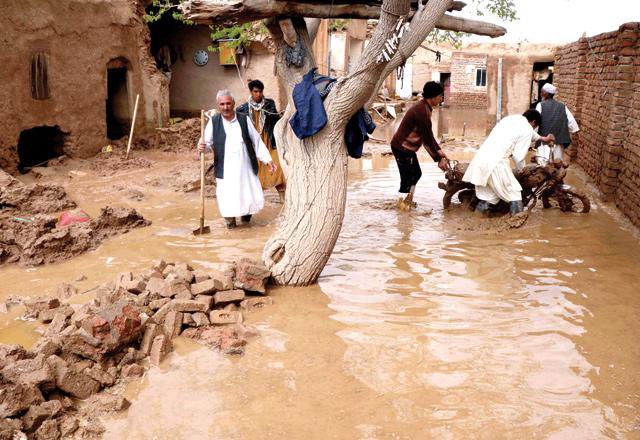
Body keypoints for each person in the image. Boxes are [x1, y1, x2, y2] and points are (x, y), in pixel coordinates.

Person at [197, 90, 276, 229]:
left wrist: (267, 160)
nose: (225, 107)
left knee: (247, 195)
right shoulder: (214, 122)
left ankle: (246, 223)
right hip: (225, 169)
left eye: (228, 103)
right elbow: (206, 143)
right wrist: (202, 146)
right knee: (227, 197)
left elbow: (256, 141)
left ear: (233, 104)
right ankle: (230, 225)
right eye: (222, 104)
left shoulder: (243, 119)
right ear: (218, 105)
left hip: (245, 168)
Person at [462, 110, 555, 215]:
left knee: (489, 198)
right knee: (514, 193)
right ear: (533, 122)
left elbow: (531, 134)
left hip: (481, 159)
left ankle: (475, 222)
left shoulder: (511, 119)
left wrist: (544, 138)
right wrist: (523, 170)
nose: (533, 129)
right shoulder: (527, 129)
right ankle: (516, 226)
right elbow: (518, 157)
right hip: (496, 162)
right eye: (534, 126)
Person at [390, 81, 449, 210]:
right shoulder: (422, 111)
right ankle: (401, 206)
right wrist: (438, 159)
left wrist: (439, 151)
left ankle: (407, 201)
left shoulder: (425, 107)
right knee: (407, 178)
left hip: (406, 148)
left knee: (416, 174)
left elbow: (429, 135)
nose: (441, 99)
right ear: (433, 97)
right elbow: (427, 139)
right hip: (402, 148)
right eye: (440, 96)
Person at [236, 80, 286, 203]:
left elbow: (275, 120)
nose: (258, 94)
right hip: (253, 145)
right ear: (251, 92)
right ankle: (256, 201)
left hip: (269, 141)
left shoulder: (269, 104)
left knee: (277, 167)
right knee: (255, 171)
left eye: (260, 91)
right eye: (255, 91)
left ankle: (282, 199)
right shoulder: (243, 109)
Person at [534, 83, 580, 165]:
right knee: (557, 164)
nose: (541, 94)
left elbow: (536, 123)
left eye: (542, 92)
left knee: (543, 164)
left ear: (547, 94)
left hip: (544, 141)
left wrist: (534, 136)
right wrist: (574, 131)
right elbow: (571, 123)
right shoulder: (562, 106)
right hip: (558, 140)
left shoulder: (540, 105)